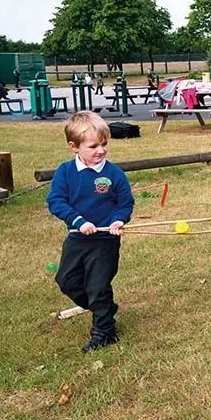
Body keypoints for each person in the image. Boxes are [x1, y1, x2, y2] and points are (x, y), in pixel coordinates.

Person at [46, 111, 134, 352]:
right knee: (66, 281)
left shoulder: (113, 173)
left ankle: (104, 331)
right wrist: (78, 220)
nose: (101, 150)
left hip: (105, 240)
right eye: (93, 146)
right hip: (77, 238)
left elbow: (125, 203)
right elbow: (56, 201)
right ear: (74, 146)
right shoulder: (65, 172)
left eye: (104, 144)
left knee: (97, 286)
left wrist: (118, 220)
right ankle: (102, 307)